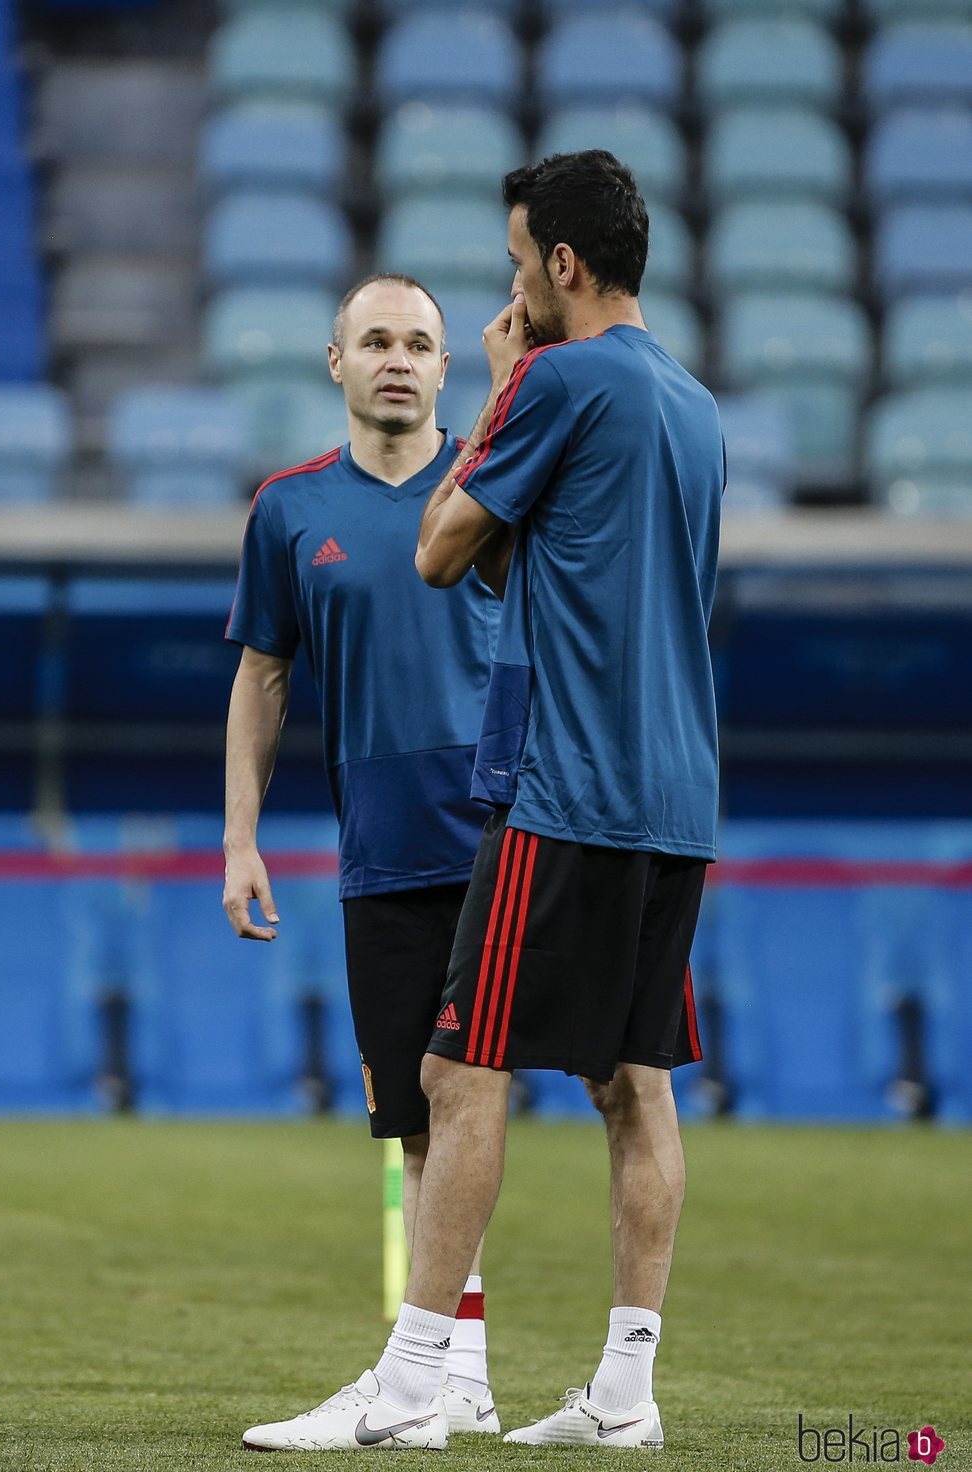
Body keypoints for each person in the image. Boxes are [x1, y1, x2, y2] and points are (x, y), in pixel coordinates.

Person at [265, 149, 725, 1452]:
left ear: (564, 267)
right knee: (635, 1085)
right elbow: (556, 558)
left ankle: (415, 1381)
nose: (512, 289)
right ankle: (625, 1396)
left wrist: (513, 370)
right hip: (677, 801)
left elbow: (438, 546)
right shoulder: (690, 403)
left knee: (459, 1073)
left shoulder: (562, 377)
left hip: (562, 792)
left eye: (522, 265)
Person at [223, 274, 505, 1449]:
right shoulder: (288, 510)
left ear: (448, 369)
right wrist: (240, 836)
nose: (398, 357)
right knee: (420, 1122)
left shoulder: (495, 491)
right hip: (375, 844)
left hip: (500, 833)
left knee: (468, 1093)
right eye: (375, 339)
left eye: (420, 343)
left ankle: (424, 1377)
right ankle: (461, 1380)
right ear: (332, 360)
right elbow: (262, 675)